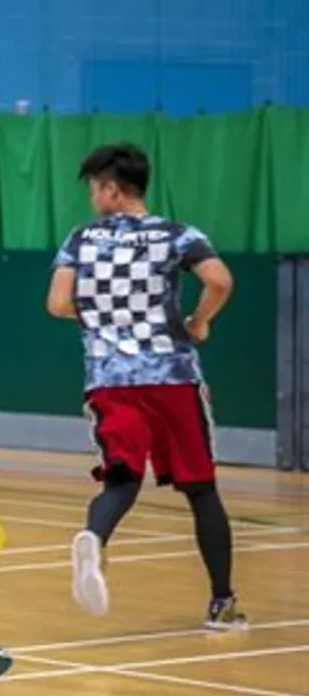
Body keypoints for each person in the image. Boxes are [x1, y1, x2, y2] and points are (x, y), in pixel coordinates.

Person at [48, 142, 246, 630]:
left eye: (95, 189)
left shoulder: (80, 239)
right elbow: (220, 281)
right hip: (172, 378)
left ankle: (95, 537)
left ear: (112, 189)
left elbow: (57, 303)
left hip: (109, 381)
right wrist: (199, 320)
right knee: (201, 489)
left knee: (121, 479)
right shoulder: (178, 235)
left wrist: (102, 319)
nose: (93, 198)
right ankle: (222, 604)